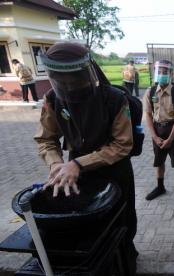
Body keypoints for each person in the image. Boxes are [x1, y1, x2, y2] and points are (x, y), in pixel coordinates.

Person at [33, 42, 138, 275]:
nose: (70, 88)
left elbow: (123, 145)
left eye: (76, 80)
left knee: (122, 222)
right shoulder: (53, 100)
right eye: (63, 82)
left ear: (88, 72)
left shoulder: (114, 99)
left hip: (114, 169)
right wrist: (57, 163)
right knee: (87, 225)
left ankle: (126, 262)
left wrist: (79, 163)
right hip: (74, 171)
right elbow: (46, 139)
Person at [143, 59, 174, 200]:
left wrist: (171, 138)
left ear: (171, 74)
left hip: (173, 130)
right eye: (159, 71)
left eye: (165, 72)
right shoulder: (150, 93)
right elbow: (148, 115)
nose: (161, 74)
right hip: (157, 130)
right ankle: (160, 187)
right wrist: (155, 136)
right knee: (159, 161)